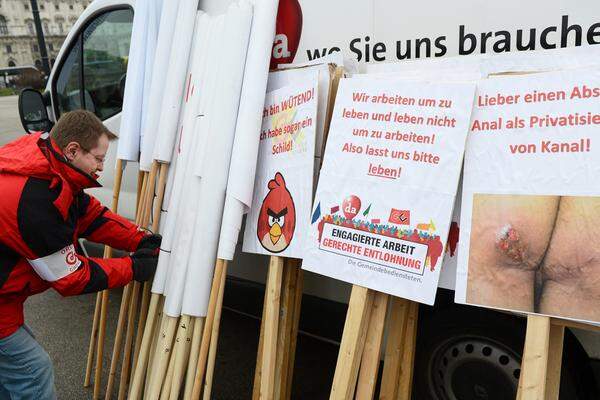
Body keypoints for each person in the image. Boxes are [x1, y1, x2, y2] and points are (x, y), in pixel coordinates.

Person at [0, 110, 160, 399]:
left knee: (11, 373)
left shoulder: (49, 168)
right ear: (73, 150)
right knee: (32, 372)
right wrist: (134, 268)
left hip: (5, 298)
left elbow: (91, 217)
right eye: (98, 159)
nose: (101, 168)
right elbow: (71, 277)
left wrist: (141, 239)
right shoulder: (33, 202)